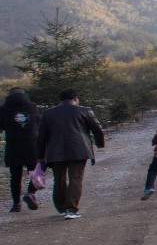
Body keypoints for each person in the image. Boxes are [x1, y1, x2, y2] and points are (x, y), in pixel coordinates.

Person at [35, 89, 107, 219]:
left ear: (60, 100)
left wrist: (40, 155)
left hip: (55, 151)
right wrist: (100, 144)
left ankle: (61, 208)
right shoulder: (84, 111)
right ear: (75, 98)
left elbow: (41, 136)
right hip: (79, 150)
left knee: (59, 179)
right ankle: (71, 209)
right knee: (75, 178)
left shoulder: (48, 113)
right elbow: (98, 130)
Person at [0, 87, 40, 212]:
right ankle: (30, 193)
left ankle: (16, 204)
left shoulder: (2, 109)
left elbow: (1, 126)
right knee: (35, 172)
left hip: (13, 144)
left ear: (9, 95)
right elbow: (38, 122)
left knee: (15, 176)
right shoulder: (33, 107)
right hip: (32, 144)